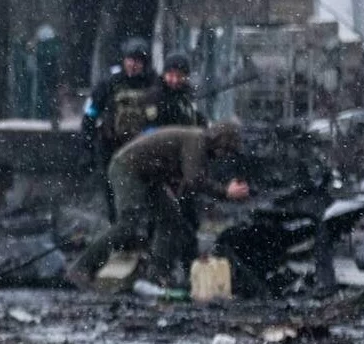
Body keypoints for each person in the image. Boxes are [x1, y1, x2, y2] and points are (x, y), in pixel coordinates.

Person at [74, 123, 250, 291]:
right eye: (226, 150)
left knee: (171, 220)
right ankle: (81, 268)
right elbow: (194, 179)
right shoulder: (196, 141)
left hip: (150, 177)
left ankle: (157, 274)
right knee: (128, 224)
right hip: (128, 169)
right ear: (220, 141)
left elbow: (186, 180)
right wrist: (225, 191)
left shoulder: (199, 144)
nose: (225, 155)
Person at [82, 40, 161, 215]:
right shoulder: (109, 84)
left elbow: (160, 117)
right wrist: (87, 146)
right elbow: (91, 114)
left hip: (143, 148)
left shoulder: (153, 85)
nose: (133, 65)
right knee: (112, 193)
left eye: (138, 61)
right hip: (112, 146)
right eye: (130, 60)